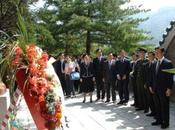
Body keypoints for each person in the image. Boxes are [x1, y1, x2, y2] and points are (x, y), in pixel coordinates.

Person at [150, 47, 173, 129]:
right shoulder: (154, 63)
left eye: (158, 52)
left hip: (164, 89)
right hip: (155, 89)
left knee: (164, 106)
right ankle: (158, 120)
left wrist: (169, 88)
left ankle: (166, 122)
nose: (156, 54)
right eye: (155, 52)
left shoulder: (168, 63)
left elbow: (170, 77)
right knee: (157, 105)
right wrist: (151, 86)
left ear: (162, 53)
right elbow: (153, 76)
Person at [144, 51, 156, 117]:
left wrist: (151, 85)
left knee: (155, 100)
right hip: (148, 84)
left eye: (150, 56)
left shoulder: (156, 64)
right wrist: (146, 83)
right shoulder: (147, 64)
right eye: (148, 56)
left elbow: (154, 76)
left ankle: (156, 113)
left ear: (154, 56)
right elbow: (146, 75)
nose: (149, 57)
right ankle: (152, 112)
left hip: (153, 85)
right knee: (149, 99)